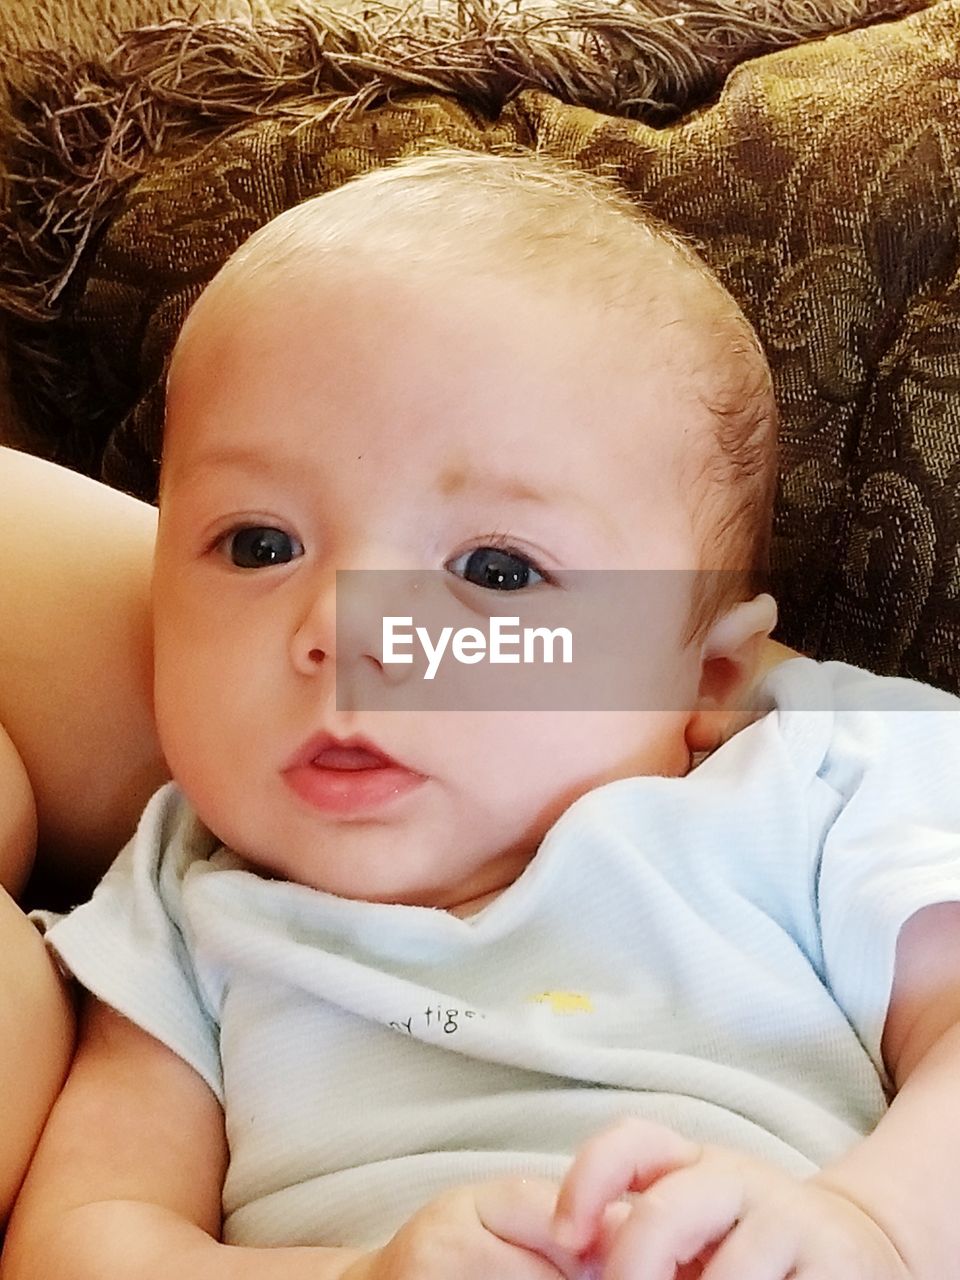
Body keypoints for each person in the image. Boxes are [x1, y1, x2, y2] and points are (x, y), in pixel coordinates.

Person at [4, 147, 959, 1280]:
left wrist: (877, 1227)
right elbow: (82, 1241)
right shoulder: (189, 905)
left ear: (701, 677)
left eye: (496, 568)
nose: (349, 631)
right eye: (261, 543)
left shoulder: (809, 789)